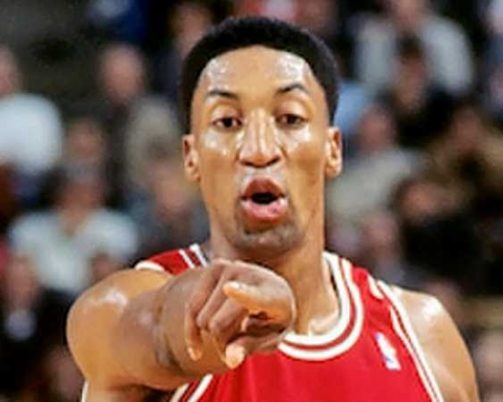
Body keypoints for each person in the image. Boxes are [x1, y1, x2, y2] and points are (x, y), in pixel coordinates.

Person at [67, 17, 478, 402]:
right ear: (191, 157)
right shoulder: (125, 305)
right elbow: (150, 330)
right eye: (228, 122)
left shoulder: (424, 336)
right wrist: (215, 312)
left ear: (333, 149)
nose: (259, 149)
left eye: (290, 118)